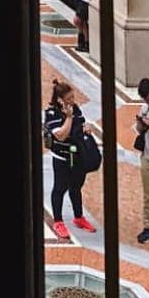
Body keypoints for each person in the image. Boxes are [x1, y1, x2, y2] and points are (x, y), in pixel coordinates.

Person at [43, 78, 96, 239]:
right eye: (68, 99)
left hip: (77, 155)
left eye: (73, 98)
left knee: (76, 187)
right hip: (62, 158)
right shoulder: (51, 113)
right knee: (60, 188)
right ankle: (58, 221)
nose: (72, 102)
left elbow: (81, 124)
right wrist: (69, 117)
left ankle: (78, 217)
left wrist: (86, 128)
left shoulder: (75, 109)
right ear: (60, 100)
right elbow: (60, 135)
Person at [134, 77, 149, 244]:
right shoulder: (145, 108)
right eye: (146, 101)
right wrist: (141, 125)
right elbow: (139, 130)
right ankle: (148, 228)